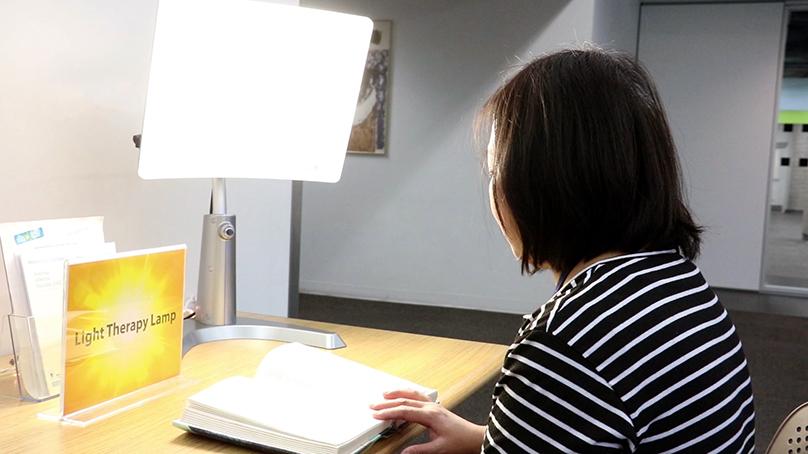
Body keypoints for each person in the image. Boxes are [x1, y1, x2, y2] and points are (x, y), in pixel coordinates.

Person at [370, 49, 755, 453]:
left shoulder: (567, 341)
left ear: (541, 182)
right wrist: (485, 440)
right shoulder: (676, 282)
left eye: (495, 170)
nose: (493, 191)